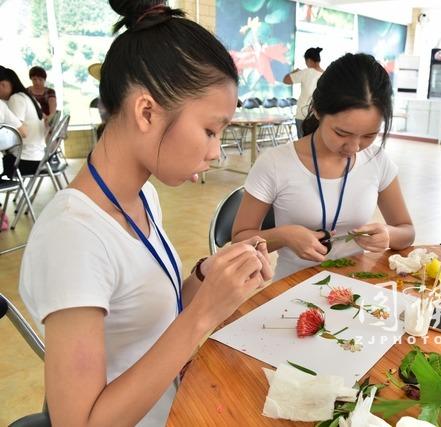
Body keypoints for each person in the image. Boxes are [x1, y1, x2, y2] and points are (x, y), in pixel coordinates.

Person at [18, 1, 272, 426]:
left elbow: (146, 317)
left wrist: (211, 277)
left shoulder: (143, 197)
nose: (214, 152)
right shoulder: (72, 237)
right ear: (147, 111)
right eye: (210, 130)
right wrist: (204, 314)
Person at [233, 53, 415, 280]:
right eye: (342, 133)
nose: (354, 147)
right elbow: (240, 239)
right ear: (318, 110)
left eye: (369, 135)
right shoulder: (275, 163)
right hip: (292, 288)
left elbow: (406, 231)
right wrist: (285, 236)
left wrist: (388, 234)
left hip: (356, 288)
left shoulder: (377, 160)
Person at [0, 66, 46, 178]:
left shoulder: (16, 99)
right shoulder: (29, 97)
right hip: (39, 157)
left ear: (3, 85)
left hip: (24, 160)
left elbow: (18, 133)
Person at [283, 47, 323, 138]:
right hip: (318, 116)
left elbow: (285, 80)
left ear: (308, 60)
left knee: (302, 143)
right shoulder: (326, 74)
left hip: (302, 115)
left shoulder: (306, 72)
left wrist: (294, 72)